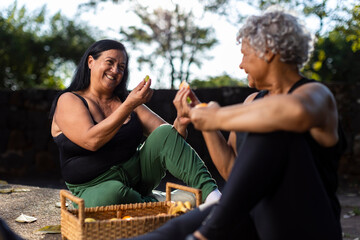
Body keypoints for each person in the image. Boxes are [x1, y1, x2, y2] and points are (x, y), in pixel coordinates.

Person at [127, 7, 346, 240]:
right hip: (251, 215)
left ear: (268, 51)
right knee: (167, 233)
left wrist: (217, 116)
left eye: (245, 54)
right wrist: (203, 120)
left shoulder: (317, 95)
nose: (241, 65)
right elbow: (233, 171)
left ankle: (210, 231)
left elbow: (296, 111)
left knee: (270, 123)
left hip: (305, 223)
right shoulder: (252, 102)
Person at [49, 39, 221, 208]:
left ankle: (212, 195)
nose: (115, 70)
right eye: (110, 62)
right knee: (113, 193)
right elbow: (91, 141)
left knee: (164, 131)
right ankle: (163, 204)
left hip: (138, 177)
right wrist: (129, 105)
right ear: (90, 61)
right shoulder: (69, 100)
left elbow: (170, 140)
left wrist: (181, 122)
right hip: (96, 187)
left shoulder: (127, 101)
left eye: (121, 67)